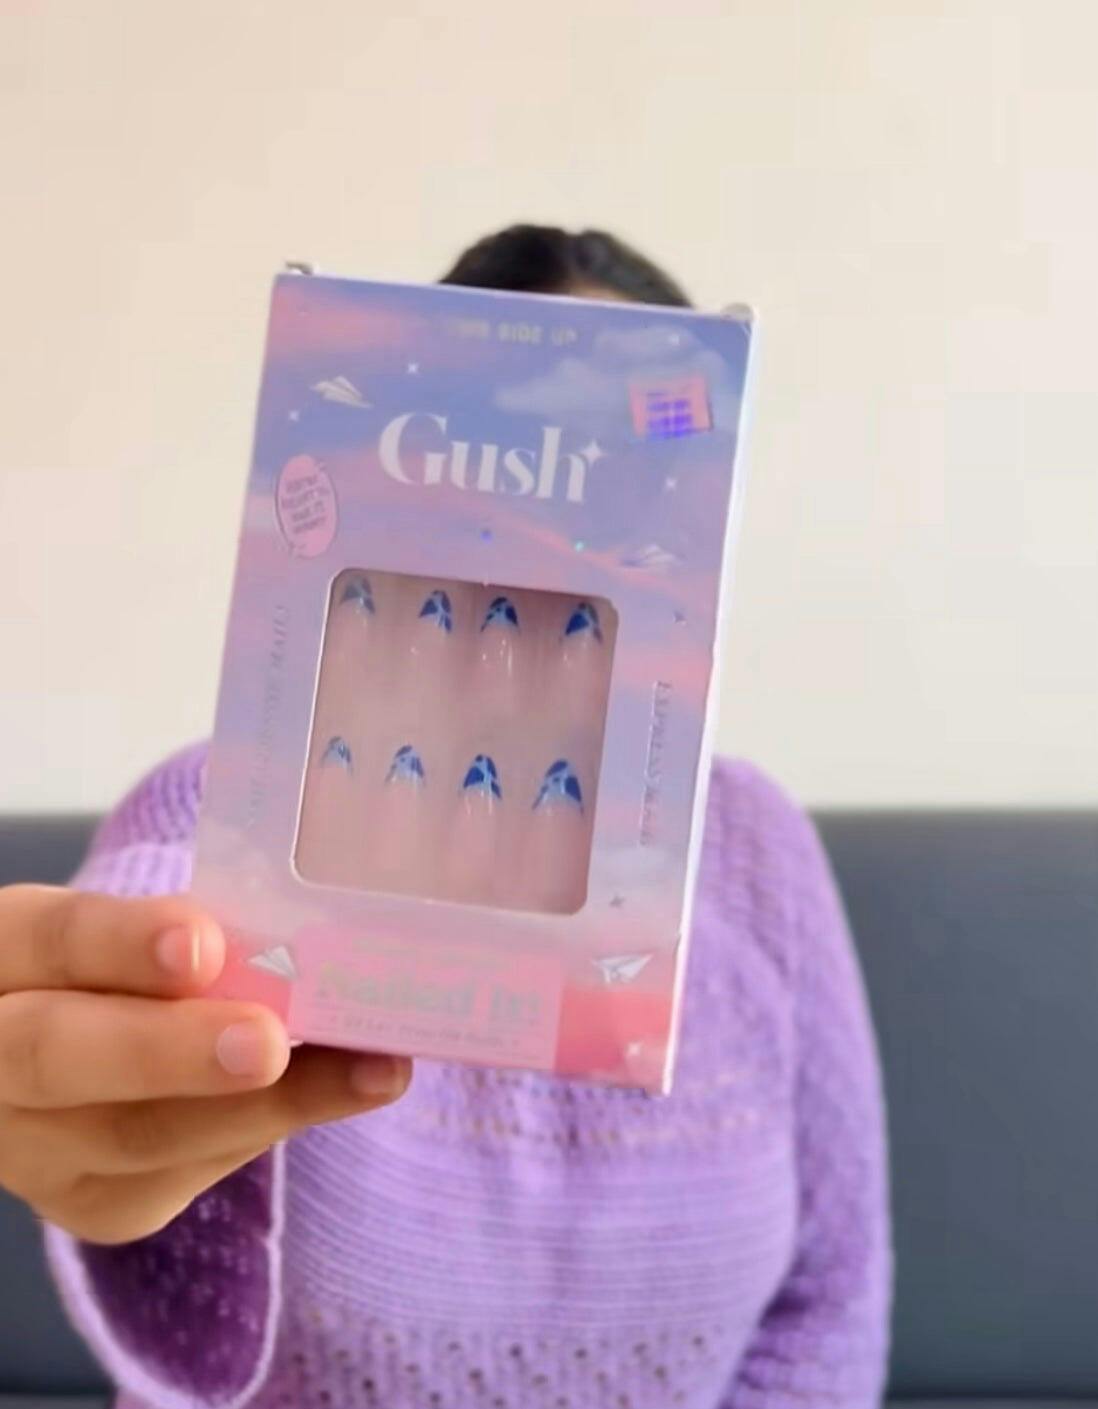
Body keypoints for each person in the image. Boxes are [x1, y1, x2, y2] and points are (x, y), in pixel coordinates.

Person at [0, 226, 891, 1409]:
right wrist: (109, 1049)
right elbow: (149, 947)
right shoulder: (220, 810)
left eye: (624, 454)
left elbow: (832, 1299)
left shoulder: (759, 849)